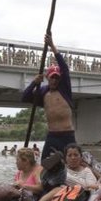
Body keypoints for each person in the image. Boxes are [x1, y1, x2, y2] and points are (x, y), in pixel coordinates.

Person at [21, 33, 75, 163]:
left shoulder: (64, 89)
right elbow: (25, 97)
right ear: (47, 78)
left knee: (71, 162)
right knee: (45, 162)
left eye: (57, 78)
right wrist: (34, 82)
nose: (55, 80)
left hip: (67, 134)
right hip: (52, 135)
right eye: (53, 77)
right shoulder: (43, 92)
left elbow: (65, 69)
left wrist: (52, 46)